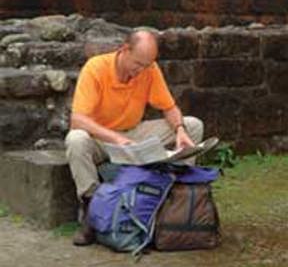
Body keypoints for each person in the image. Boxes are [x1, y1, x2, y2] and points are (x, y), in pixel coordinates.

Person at [65, 30, 204, 246]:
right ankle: (92, 210)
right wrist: (116, 139)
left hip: (133, 133)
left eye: (147, 65)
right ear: (124, 50)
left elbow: (169, 107)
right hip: (101, 137)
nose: (142, 71)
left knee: (193, 125)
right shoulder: (96, 67)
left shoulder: (149, 69)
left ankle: (176, 200)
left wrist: (179, 130)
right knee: (76, 139)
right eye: (138, 64)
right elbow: (78, 120)